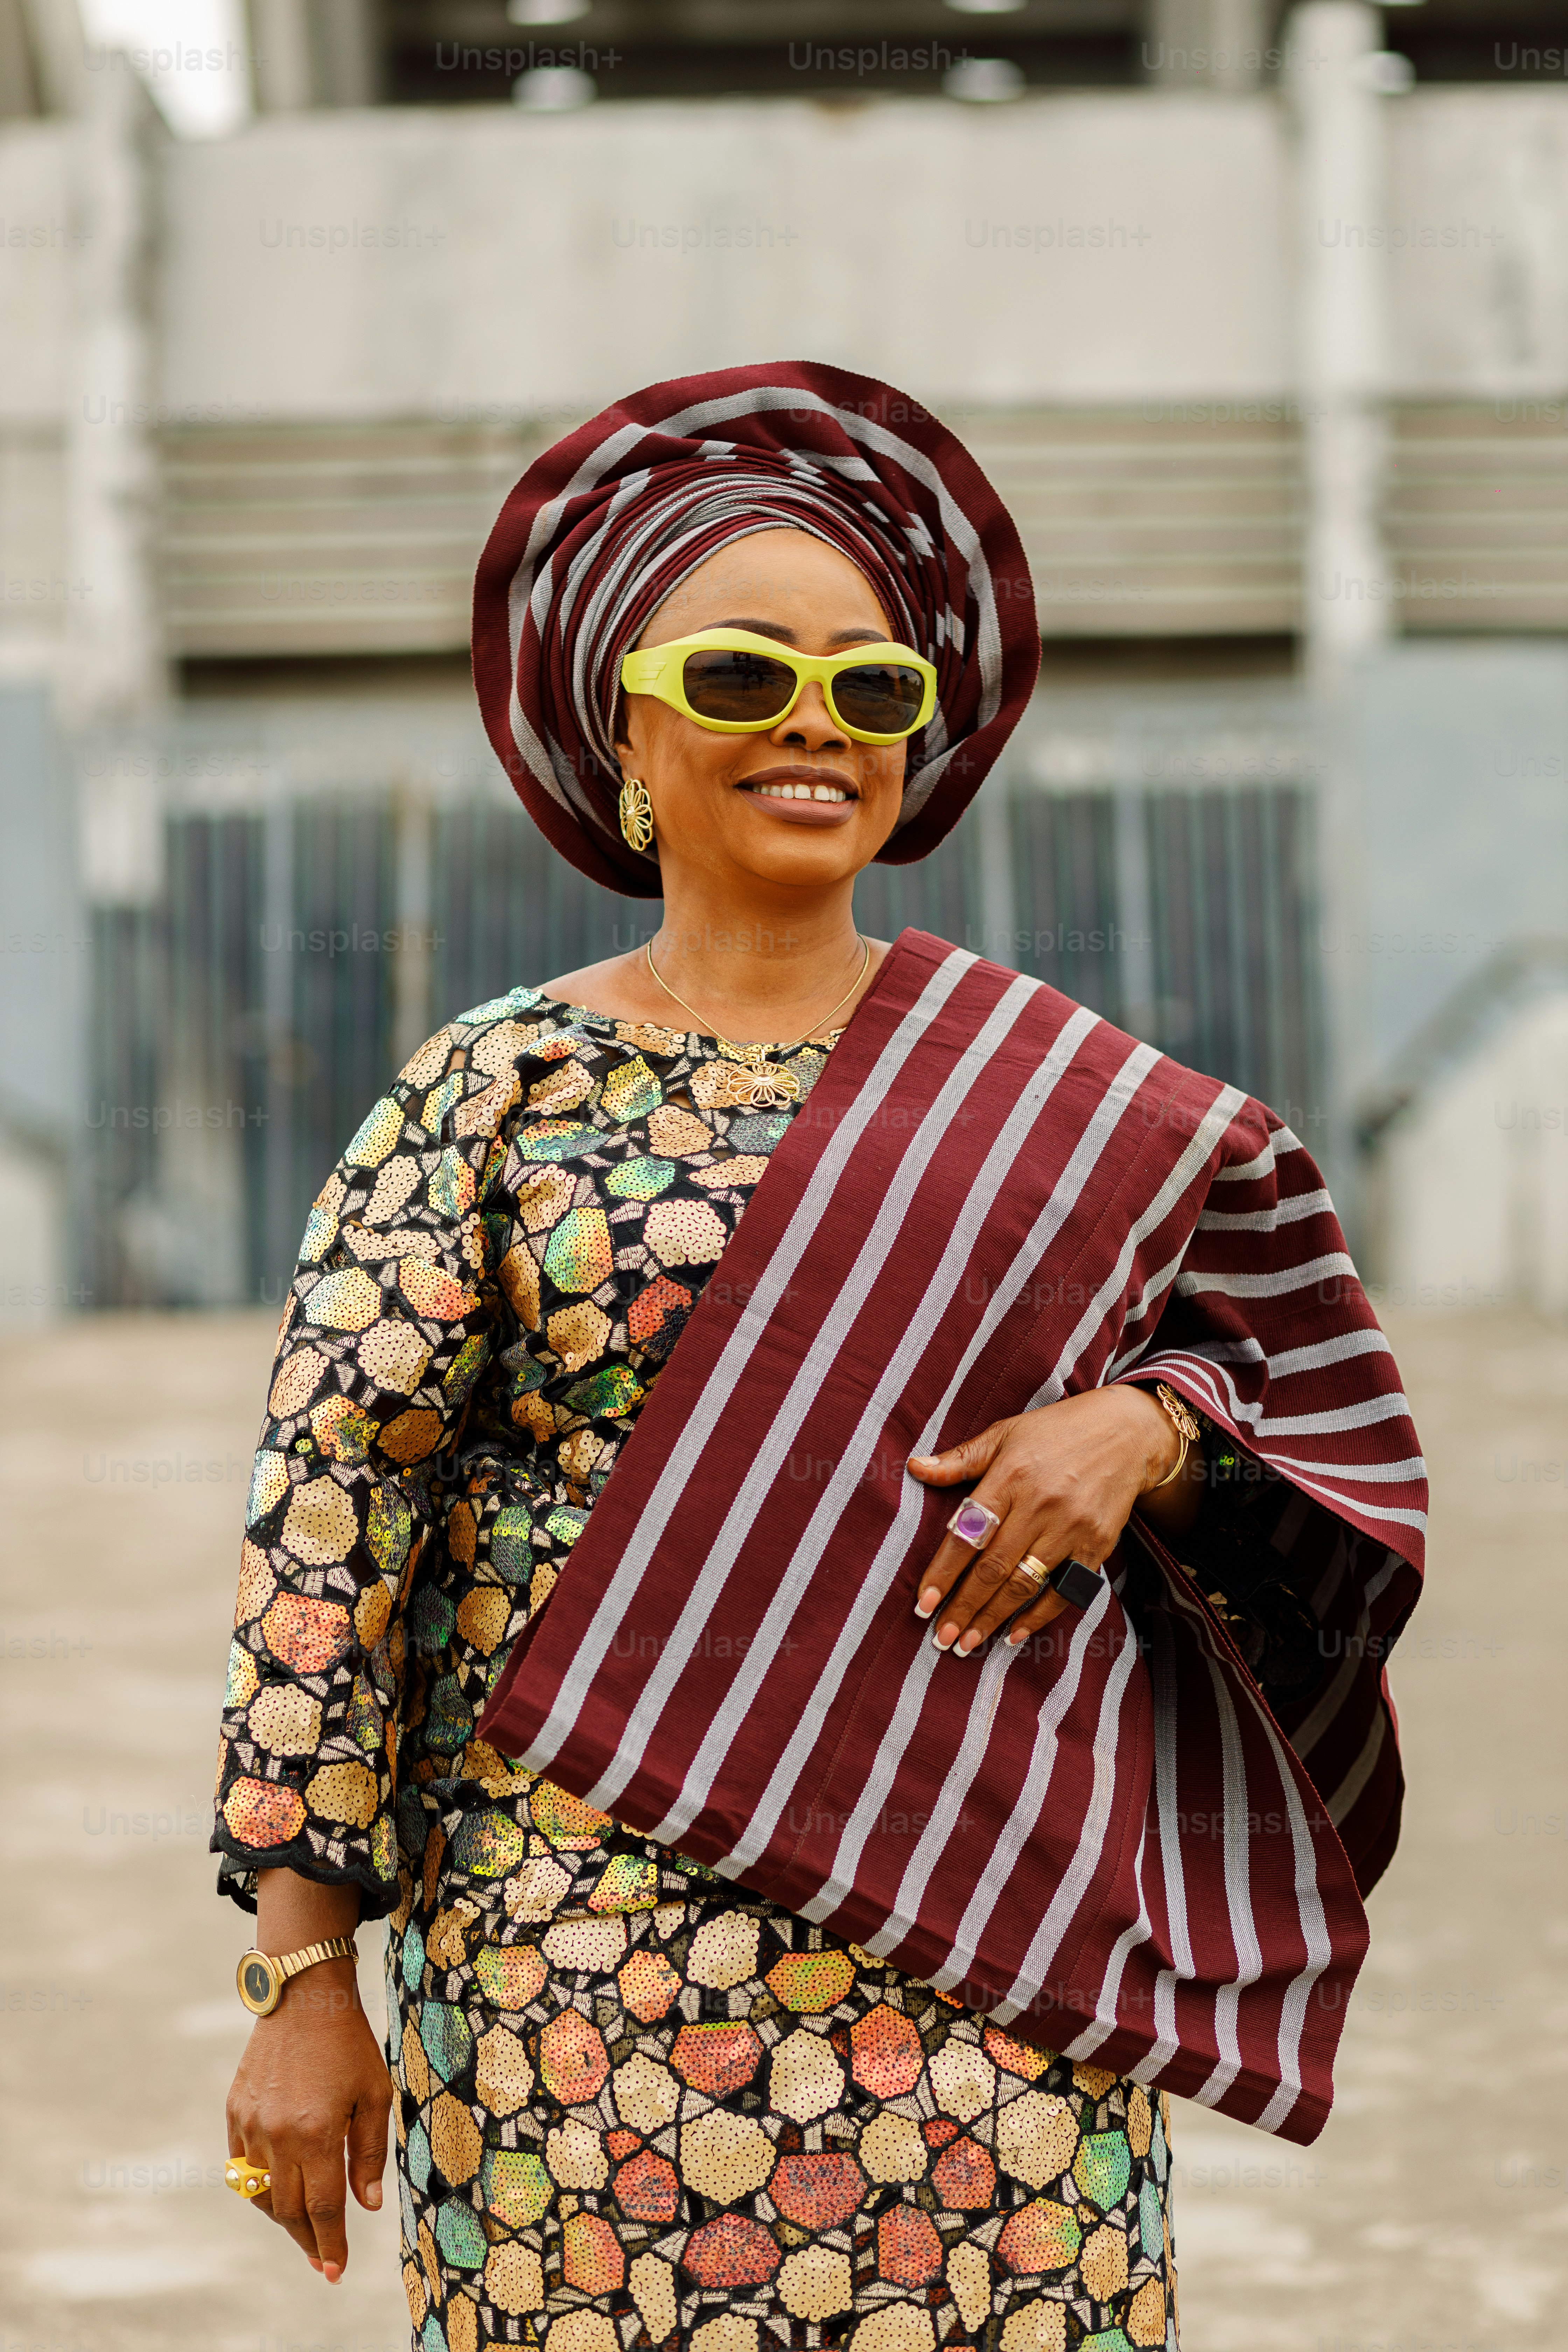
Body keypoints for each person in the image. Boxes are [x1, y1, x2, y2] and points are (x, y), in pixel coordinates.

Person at [214, 363, 1425, 2352]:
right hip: (581, 1984)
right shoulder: (497, 1094)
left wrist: (1150, 1423)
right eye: (744, 674)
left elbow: (1303, 1406)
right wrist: (302, 1983)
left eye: (872, 690)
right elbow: (329, 1551)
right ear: (628, 718)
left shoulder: (1056, 1101)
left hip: (997, 1965)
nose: (814, 725)